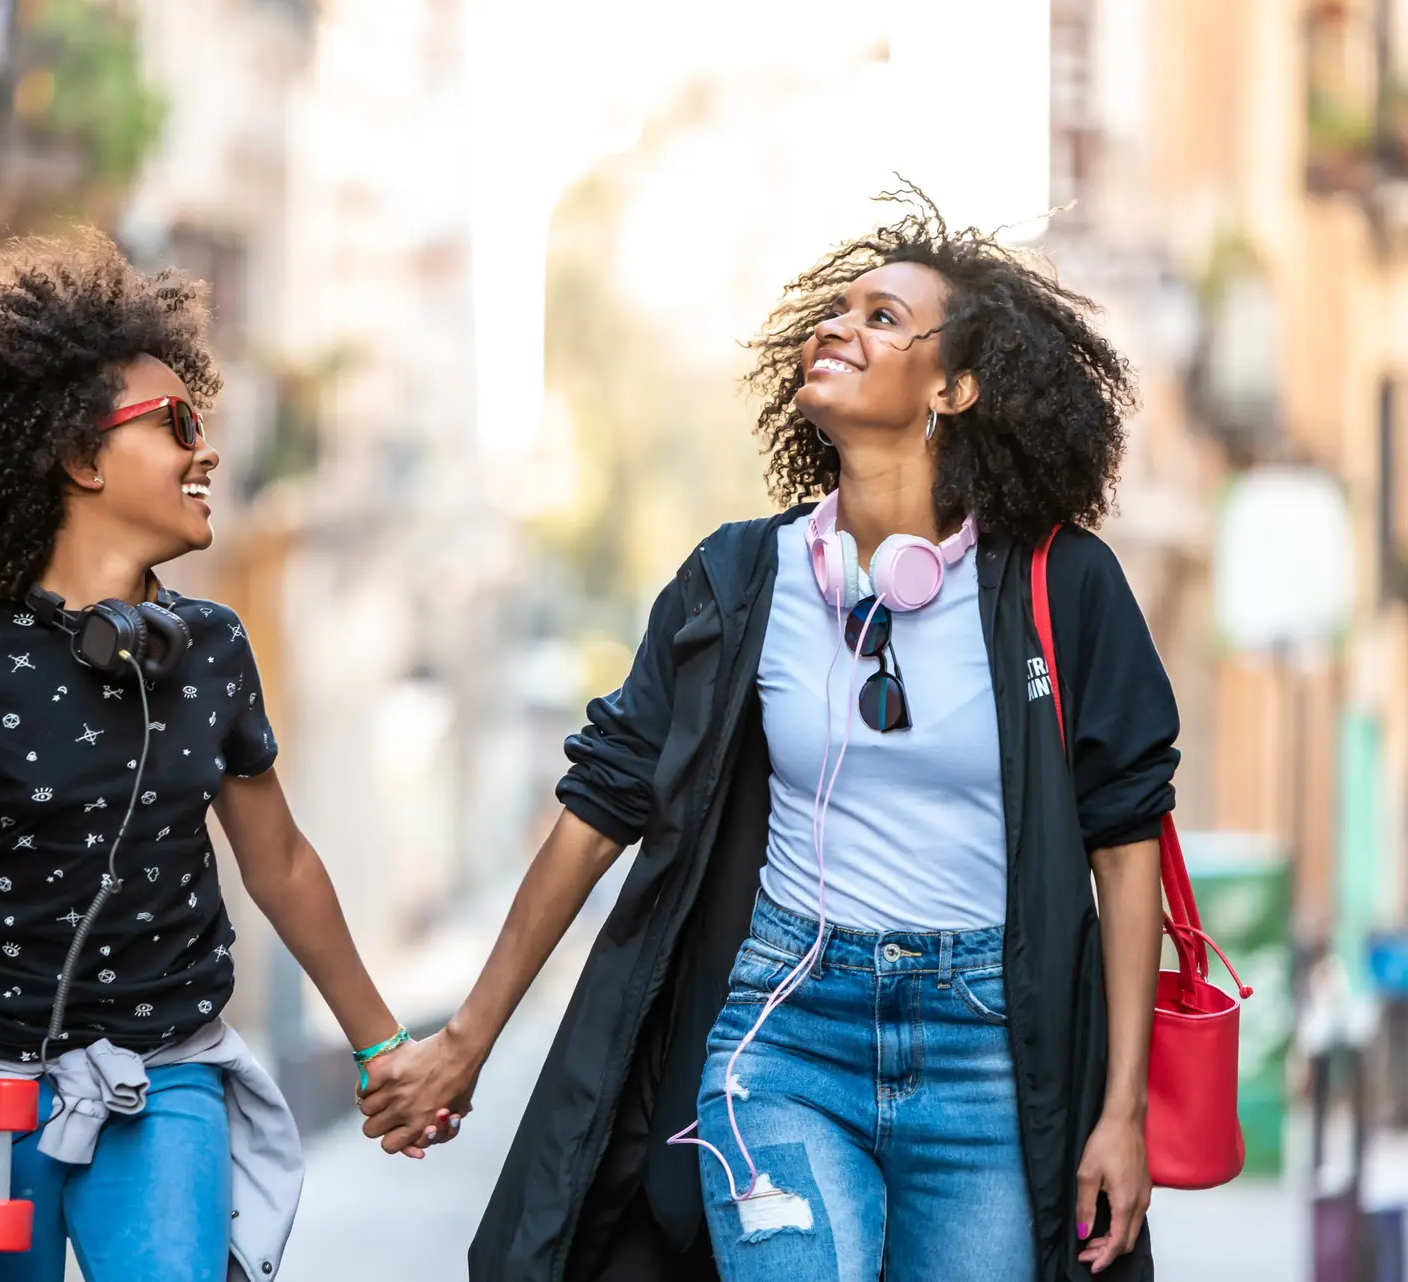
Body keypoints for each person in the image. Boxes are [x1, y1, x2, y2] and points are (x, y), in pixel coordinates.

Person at [361, 188, 1177, 1282]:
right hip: (785, 1036)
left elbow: (1125, 846)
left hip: (987, 1055)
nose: (838, 326)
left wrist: (1119, 1111)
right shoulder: (742, 579)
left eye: (883, 317)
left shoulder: (1060, 586)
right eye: (836, 309)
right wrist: (468, 1036)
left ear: (956, 386)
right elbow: (600, 809)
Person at [0, 231, 451, 1282]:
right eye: (177, 426)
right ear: (81, 456)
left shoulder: (215, 651)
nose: (208, 453)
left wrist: (385, 1049)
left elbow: (280, 864)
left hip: (166, 1073)